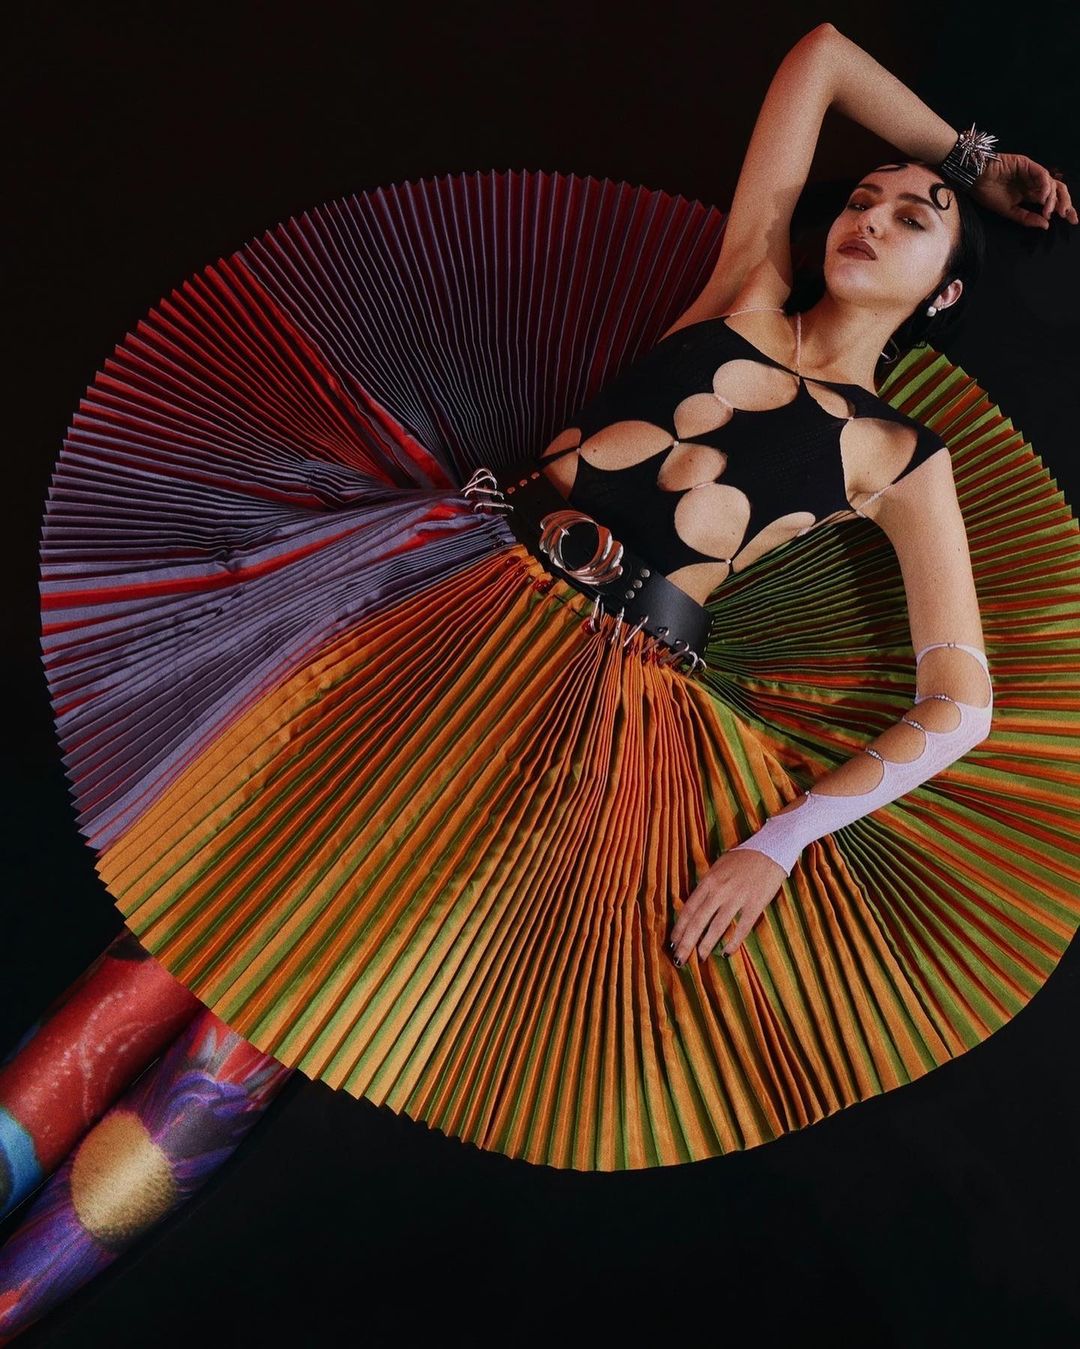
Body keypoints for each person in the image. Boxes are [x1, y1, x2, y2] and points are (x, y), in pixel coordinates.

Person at [3, 20, 1079, 1342]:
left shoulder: (900, 457)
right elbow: (820, 58)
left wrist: (783, 840)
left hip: (564, 722)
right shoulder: (744, 283)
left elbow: (961, 706)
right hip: (441, 620)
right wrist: (970, 157)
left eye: (915, 220)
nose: (873, 217)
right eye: (865, 195)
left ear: (945, 294)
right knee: (178, 934)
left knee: (264, 1022)